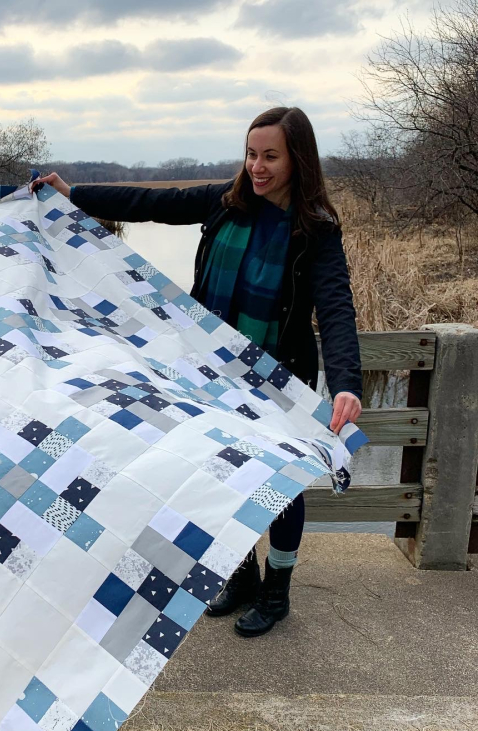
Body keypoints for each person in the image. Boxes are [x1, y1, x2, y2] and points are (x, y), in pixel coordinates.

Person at [32, 106, 363, 638]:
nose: (257, 166)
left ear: (297, 159)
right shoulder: (224, 202)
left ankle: (276, 592)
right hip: (211, 372)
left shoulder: (316, 229)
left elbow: (337, 305)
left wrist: (346, 382)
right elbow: (151, 203)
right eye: (252, 154)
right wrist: (75, 194)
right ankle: (241, 576)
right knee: (221, 475)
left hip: (279, 377)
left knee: (281, 488)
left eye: (270, 156)